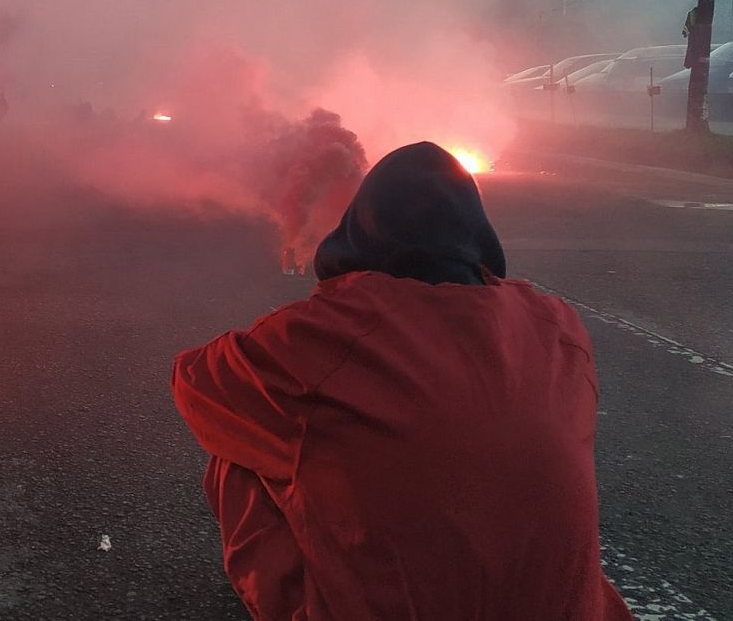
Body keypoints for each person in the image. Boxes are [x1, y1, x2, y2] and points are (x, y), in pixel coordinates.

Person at [171, 142, 632, 620]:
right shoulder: (556, 324)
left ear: (358, 230)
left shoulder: (323, 336)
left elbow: (194, 381)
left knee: (239, 444)